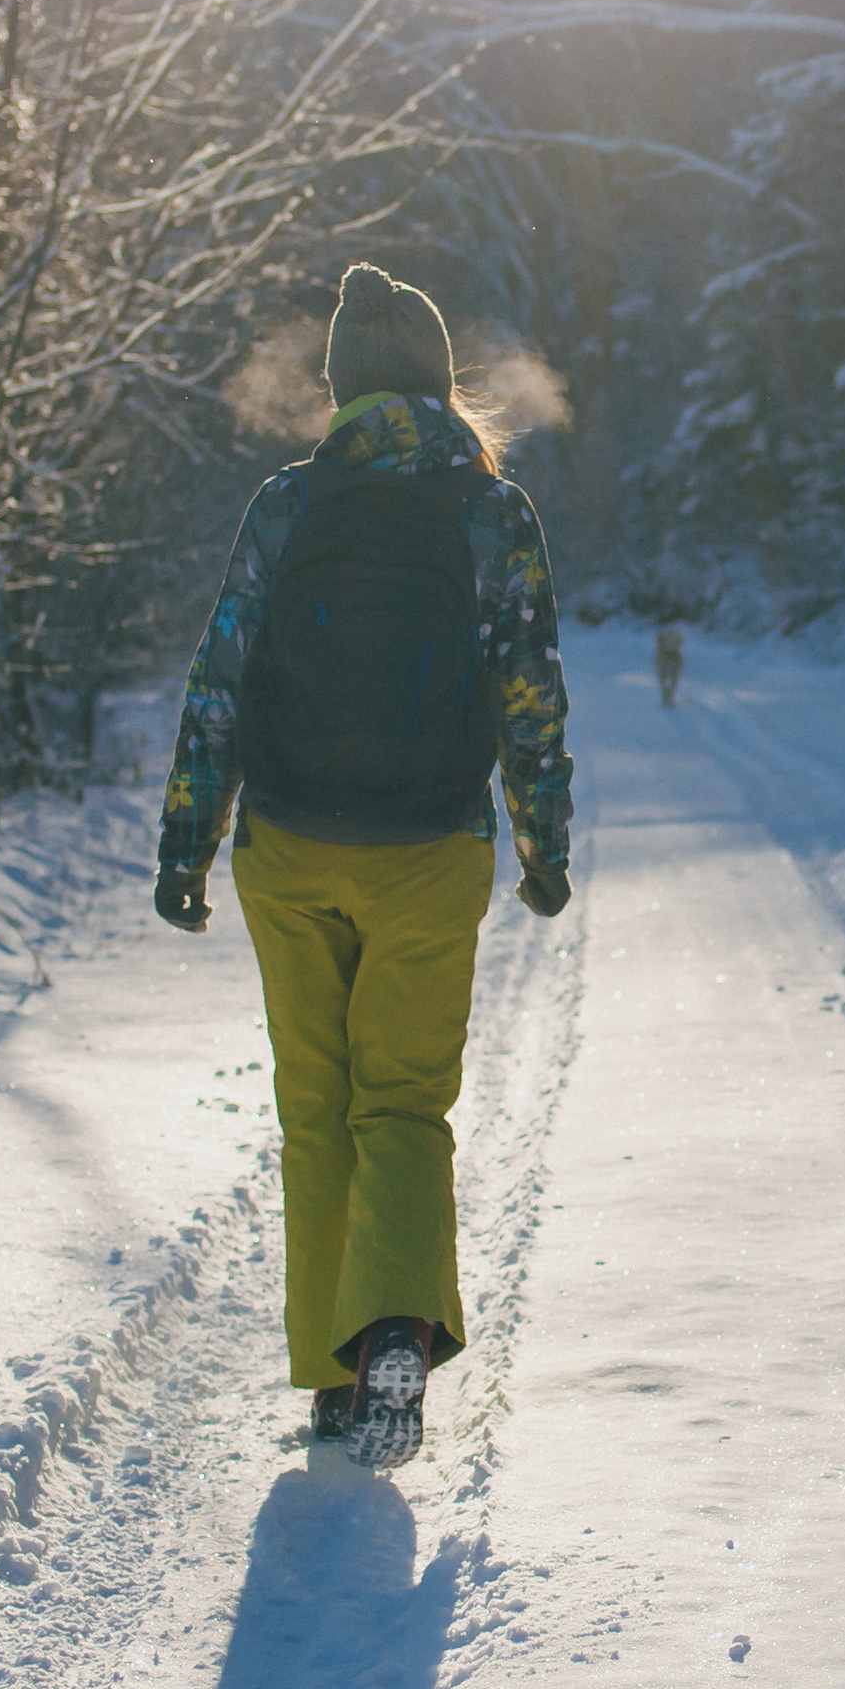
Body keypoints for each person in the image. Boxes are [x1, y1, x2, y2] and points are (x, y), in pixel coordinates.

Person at [153, 263, 575, 1470]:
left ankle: (337, 1380)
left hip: (289, 848)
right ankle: (393, 1322)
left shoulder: (288, 502)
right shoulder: (490, 508)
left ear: (338, 388)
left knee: (314, 1106)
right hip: (432, 849)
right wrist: (542, 843)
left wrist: (190, 841)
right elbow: (529, 692)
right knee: (402, 1102)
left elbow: (221, 676)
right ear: (442, 384)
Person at [654, 622, 684, 709]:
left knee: (665, 678)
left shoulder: (661, 647)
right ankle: (669, 696)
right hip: (670, 659)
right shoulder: (664, 647)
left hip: (666, 659)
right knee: (671, 678)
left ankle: (667, 696)